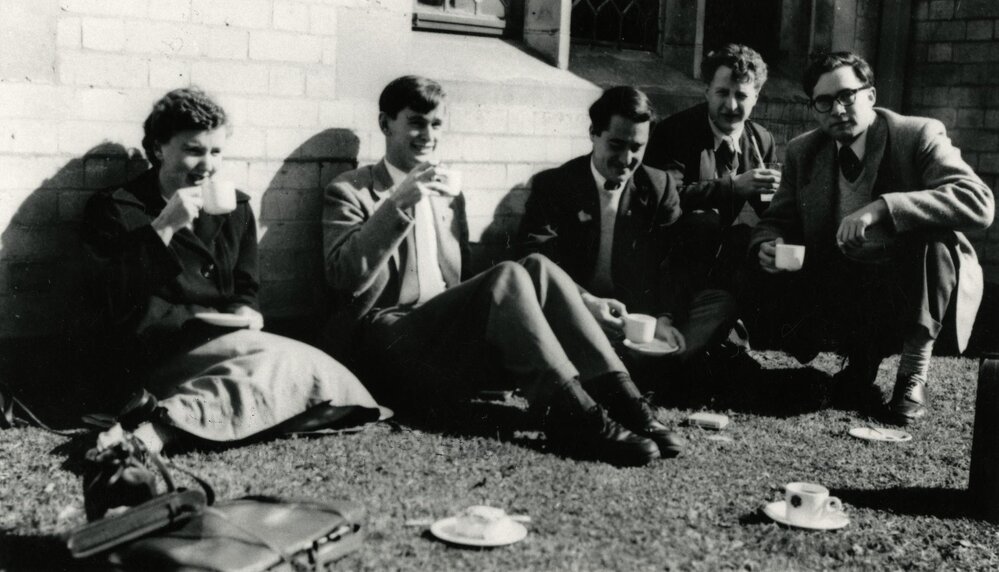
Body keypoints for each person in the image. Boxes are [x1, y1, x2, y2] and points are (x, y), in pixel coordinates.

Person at [322, 75, 683, 466]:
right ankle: (573, 415)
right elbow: (343, 278)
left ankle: (627, 403)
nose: (428, 134)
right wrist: (398, 205)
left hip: (440, 341)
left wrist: (586, 301)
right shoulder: (350, 191)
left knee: (536, 266)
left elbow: (460, 281)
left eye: (437, 124)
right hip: (387, 343)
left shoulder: (446, 194)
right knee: (508, 273)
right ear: (384, 123)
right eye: (416, 121)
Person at [82, 87, 380, 455]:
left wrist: (244, 311)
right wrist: (163, 227)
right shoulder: (115, 208)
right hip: (156, 350)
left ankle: (179, 422)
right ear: (159, 149)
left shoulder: (234, 207)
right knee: (286, 369)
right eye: (194, 150)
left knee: (326, 380)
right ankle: (159, 430)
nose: (208, 165)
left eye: (216, 151)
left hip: (223, 341)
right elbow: (107, 299)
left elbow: (245, 288)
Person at [749, 52, 994, 424]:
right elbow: (776, 219)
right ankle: (860, 360)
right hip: (843, 278)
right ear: (814, 108)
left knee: (935, 241)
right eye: (824, 101)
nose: (838, 109)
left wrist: (882, 208)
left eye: (848, 95)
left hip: (909, 280)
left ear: (871, 96)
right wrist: (767, 244)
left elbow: (979, 203)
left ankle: (913, 375)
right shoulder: (804, 150)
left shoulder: (918, 134)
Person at [517, 86, 736, 385]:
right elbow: (534, 257)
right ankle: (639, 366)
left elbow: (674, 263)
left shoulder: (659, 185)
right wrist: (585, 301)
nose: (626, 158)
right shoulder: (555, 184)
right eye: (616, 145)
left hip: (637, 315)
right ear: (594, 133)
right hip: (575, 308)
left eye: (637, 147)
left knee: (717, 302)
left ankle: (614, 362)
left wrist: (664, 317)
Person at [644, 44, 780, 299]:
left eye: (741, 95)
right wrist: (734, 186)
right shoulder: (674, 132)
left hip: (720, 256)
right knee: (704, 221)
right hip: (670, 257)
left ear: (756, 97)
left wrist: (777, 201)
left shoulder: (762, 139)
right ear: (706, 92)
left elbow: (771, 212)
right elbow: (661, 199)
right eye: (721, 93)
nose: (730, 106)